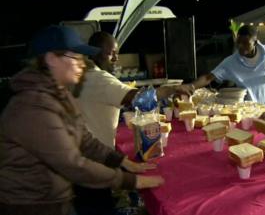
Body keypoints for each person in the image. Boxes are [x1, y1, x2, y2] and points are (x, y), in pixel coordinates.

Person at [0, 25, 164, 215]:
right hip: (31, 206)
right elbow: (72, 163)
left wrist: (123, 161)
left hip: (56, 199)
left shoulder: (59, 93)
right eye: (76, 57)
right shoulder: (33, 106)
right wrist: (133, 181)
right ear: (52, 59)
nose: (83, 64)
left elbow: (85, 139)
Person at [72, 31, 194, 215]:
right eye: (111, 52)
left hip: (83, 155)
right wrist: (173, 88)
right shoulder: (98, 78)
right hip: (93, 160)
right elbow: (139, 100)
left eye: (117, 52)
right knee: (96, 206)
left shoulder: (82, 76)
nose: (116, 58)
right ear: (95, 52)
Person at [191, 25, 265, 109]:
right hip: (248, 112)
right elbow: (208, 78)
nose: (240, 46)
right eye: (238, 42)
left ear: (255, 43)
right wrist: (191, 86)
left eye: (245, 43)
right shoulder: (231, 62)